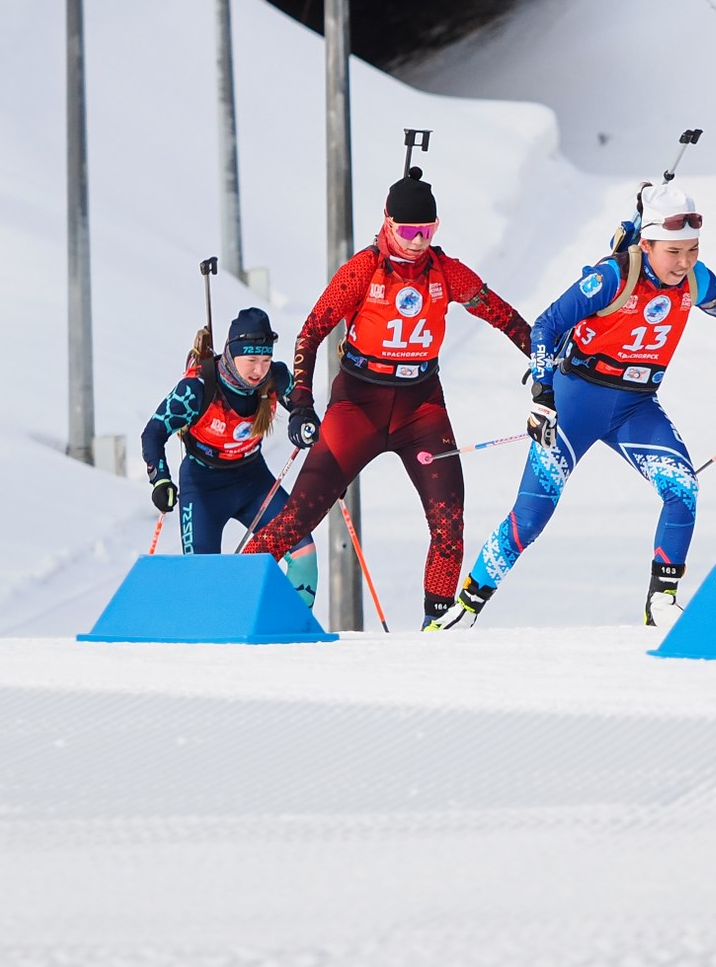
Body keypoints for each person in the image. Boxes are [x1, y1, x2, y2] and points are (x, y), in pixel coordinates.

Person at [440, 183, 716, 629]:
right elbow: (547, 324)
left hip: (635, 407)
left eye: (693, 250)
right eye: (674, 251)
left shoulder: (696, 280)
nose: (684, 262)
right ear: (648, 244)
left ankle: (661, 601)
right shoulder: (613, 278)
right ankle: (466, 607)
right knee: (531, 517)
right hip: (574, 402)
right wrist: (542, 397)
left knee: (682, 488)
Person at [242, 167, 532, 625]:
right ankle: (234, 593)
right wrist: (301, 403)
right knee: (297, 518)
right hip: (358, 405)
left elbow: (503, 315)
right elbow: (311, 332)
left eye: (427, 231)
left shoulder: (446, 272)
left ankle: (436, 625)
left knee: (449, 524)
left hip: (421, 409)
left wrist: (543, 361)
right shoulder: (364, 269)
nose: (417, 242)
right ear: (388, 222)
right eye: (408, 231)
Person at [141, 307, 320, 602]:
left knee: (305, 554)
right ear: (232, 354)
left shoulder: (276, 378)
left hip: (253, 482)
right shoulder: (198, 388)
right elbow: (154, 432)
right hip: (203, 487)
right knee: (204, 583)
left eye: (265, 360)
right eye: (251, 361)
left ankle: (292, 625)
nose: (258, 371)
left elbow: (307, 414)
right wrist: (160, 479)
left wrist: (308, 426)